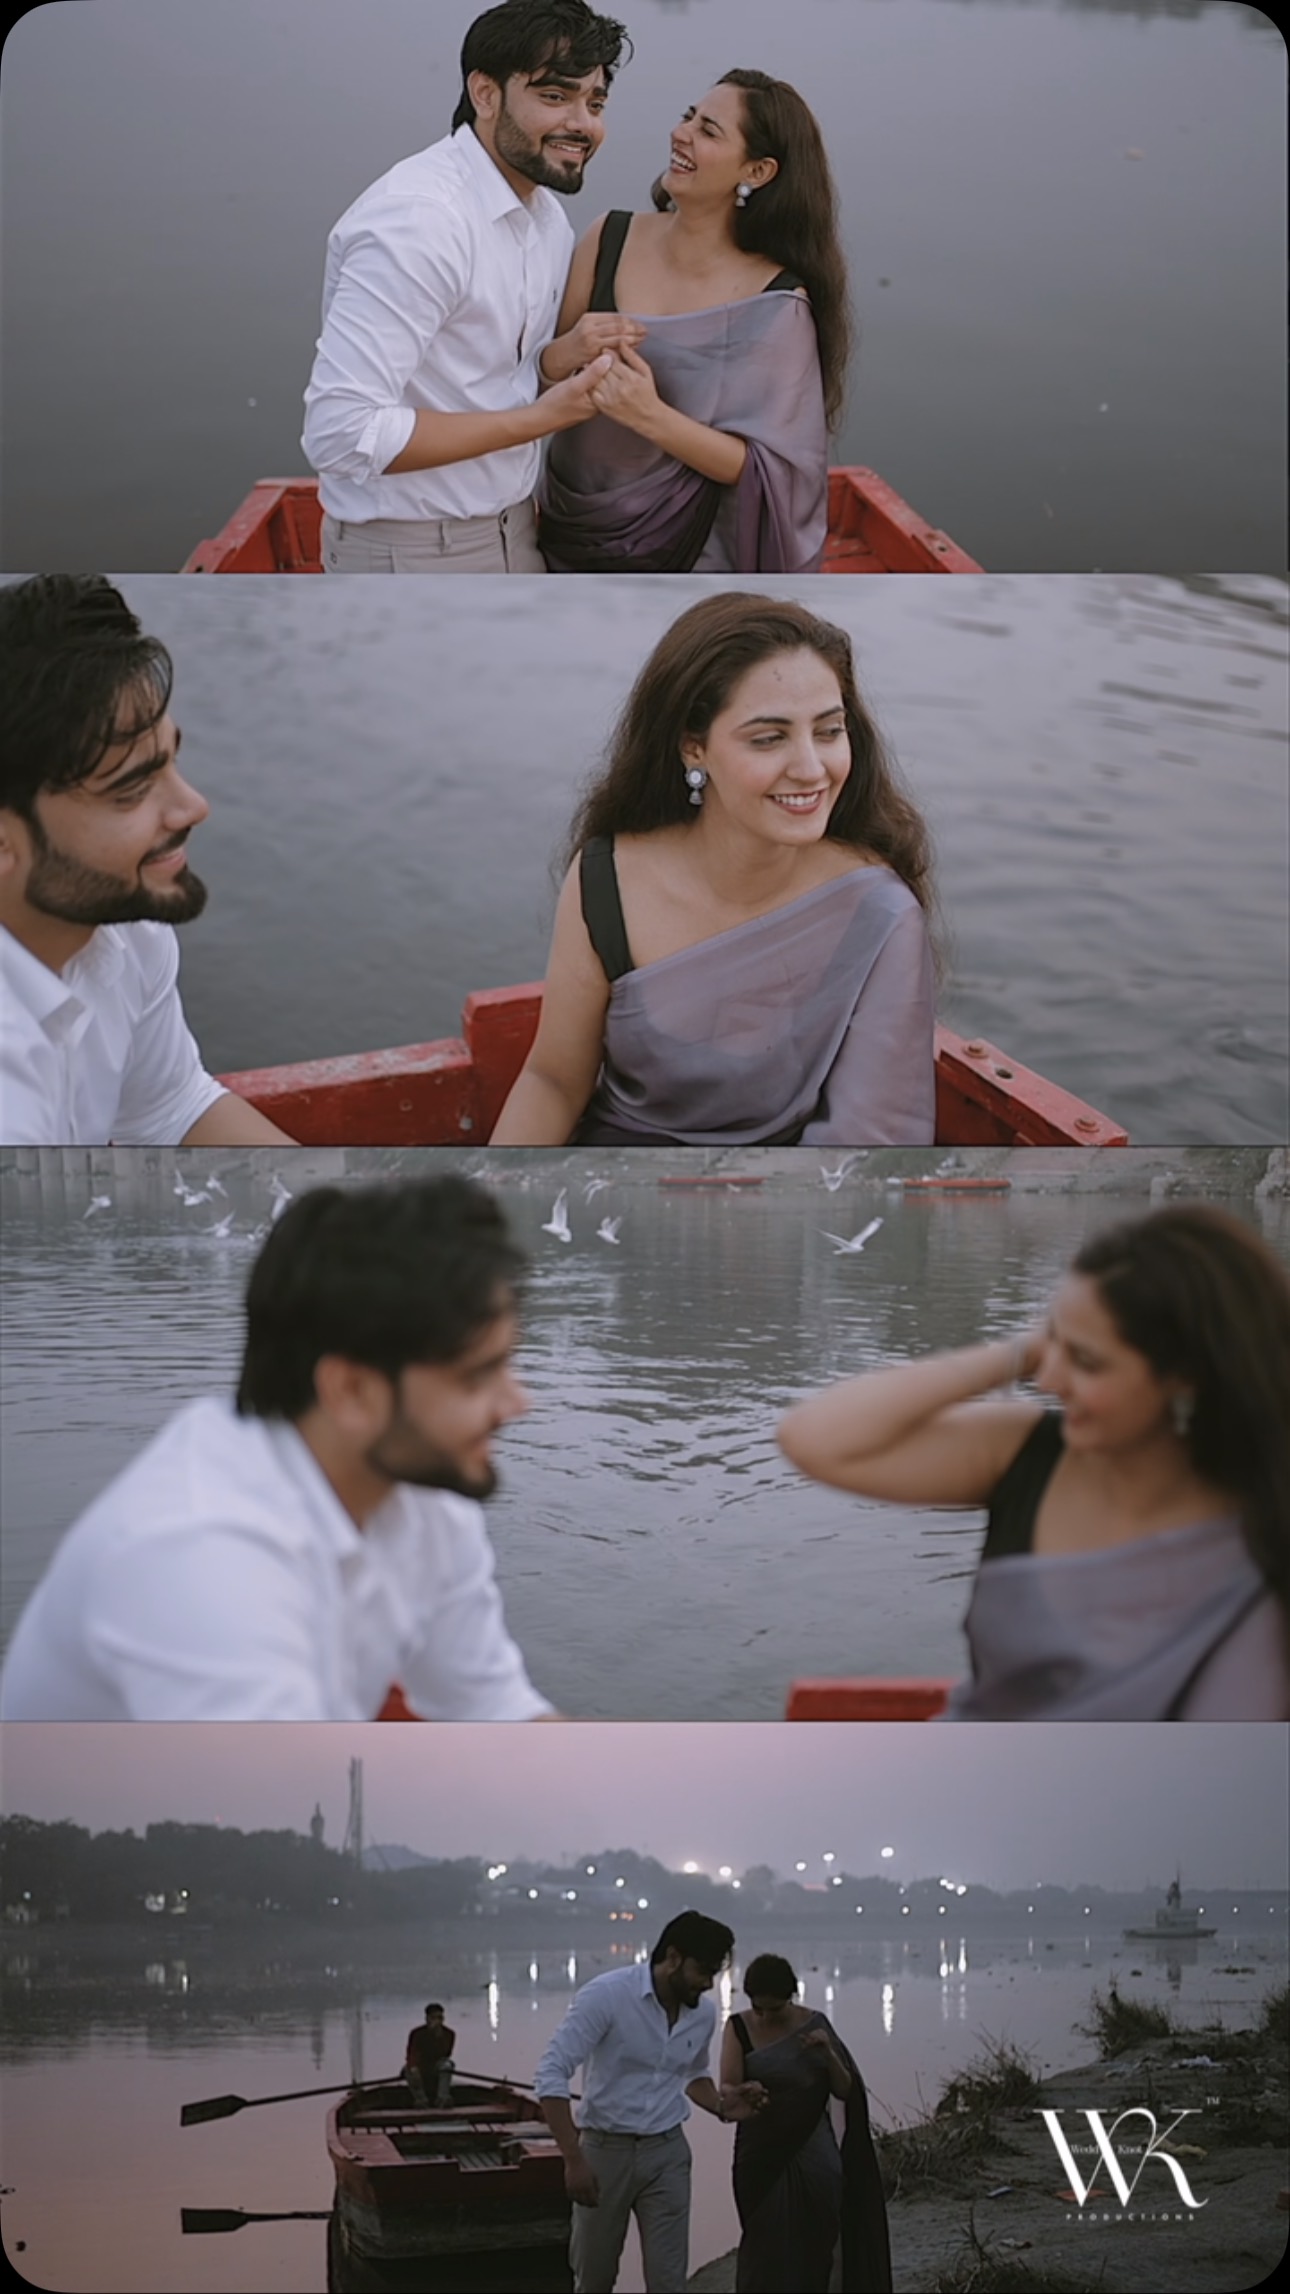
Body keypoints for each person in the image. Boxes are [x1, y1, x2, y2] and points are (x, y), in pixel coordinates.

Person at [0, 1177, 558, 1723]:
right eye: (477, 1377)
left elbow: (494, 1708)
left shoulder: (421, 1484)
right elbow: (277, 1805)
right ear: (352, 1390)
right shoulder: (200, 1558)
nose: (518, 1403)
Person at [777, 1205, 1290, 1720]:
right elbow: (814, 1439)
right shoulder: (1028, 1451)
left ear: (1187, 1375)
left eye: (1086, 1361)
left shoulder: (1268, 1520)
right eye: (1053, 1346)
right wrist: (1021, 1350)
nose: (1048, 1381)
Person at [490, 593, 936, 1147]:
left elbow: (866, 1142)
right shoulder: (607, 877)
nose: (810, 768)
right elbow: (553, 1080)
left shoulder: (878, 913)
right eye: (769, 738)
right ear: (693, 747)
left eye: (828, 730)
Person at [302, 1, 634, 573]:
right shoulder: (419, 221)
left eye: (595, 102)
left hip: (517, 526)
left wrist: (555, 362)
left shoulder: (545, 215)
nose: (582, 125)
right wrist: (546, 416)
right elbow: (341, 433)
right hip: (404, 551)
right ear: (485, 94)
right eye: (555, 97)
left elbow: (484, 375)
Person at [0, 576, 295, 1148]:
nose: (193, 807)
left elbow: (172, 1108)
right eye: (131, 789)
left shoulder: (123, 930)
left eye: (169, 763)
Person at [538, 69, 847, 573]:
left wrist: (648, 415)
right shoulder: (607, 237)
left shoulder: (777, 302)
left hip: (690, 551)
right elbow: (531, 382)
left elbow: (773, 473)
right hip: (563, 523)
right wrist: (560, 356)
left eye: (709, 131)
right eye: (689, 117)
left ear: (758, 172)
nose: (681, 134)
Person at [536, 1910, 767, 2294]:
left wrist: (725, 2107)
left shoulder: (702, 2014)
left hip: (668, 2153)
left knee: (668, 2280)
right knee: (594, 2278)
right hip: (603, 2152)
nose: (708, 1984)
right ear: (673, 1957)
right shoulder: (606, 1995)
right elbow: (550, 2074)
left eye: (715, 1974)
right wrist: (574, 2160)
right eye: (703, 1971)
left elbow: (693, 2075)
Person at [720, 1954, 891, 2294]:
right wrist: (743, 2091)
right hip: (760, 2151)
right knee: (762, 2239)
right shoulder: (738, 2027)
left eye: (775, 2009)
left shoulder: (814, 2024)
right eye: (759, 2008)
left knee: (818, 2233)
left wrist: (827, 2054)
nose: (765, 2016)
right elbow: (727, 2086)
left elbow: (844, 2089)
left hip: (812, 2147)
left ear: (791, 1996)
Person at [405, 2003, 457, 2106]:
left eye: (440, 2017)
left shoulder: (449, 2034)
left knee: (447, 2065)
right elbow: (412, 2052)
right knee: (408, 2070)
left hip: (437, 2064)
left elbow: (446, 2054)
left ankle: (443, 2098)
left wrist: (438, 2037)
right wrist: (414, 2067)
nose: (437, 2021)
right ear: (427, 2018)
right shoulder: (417, 2033)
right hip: (421, 2064)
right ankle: (421, 2100)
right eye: (434, 2017)